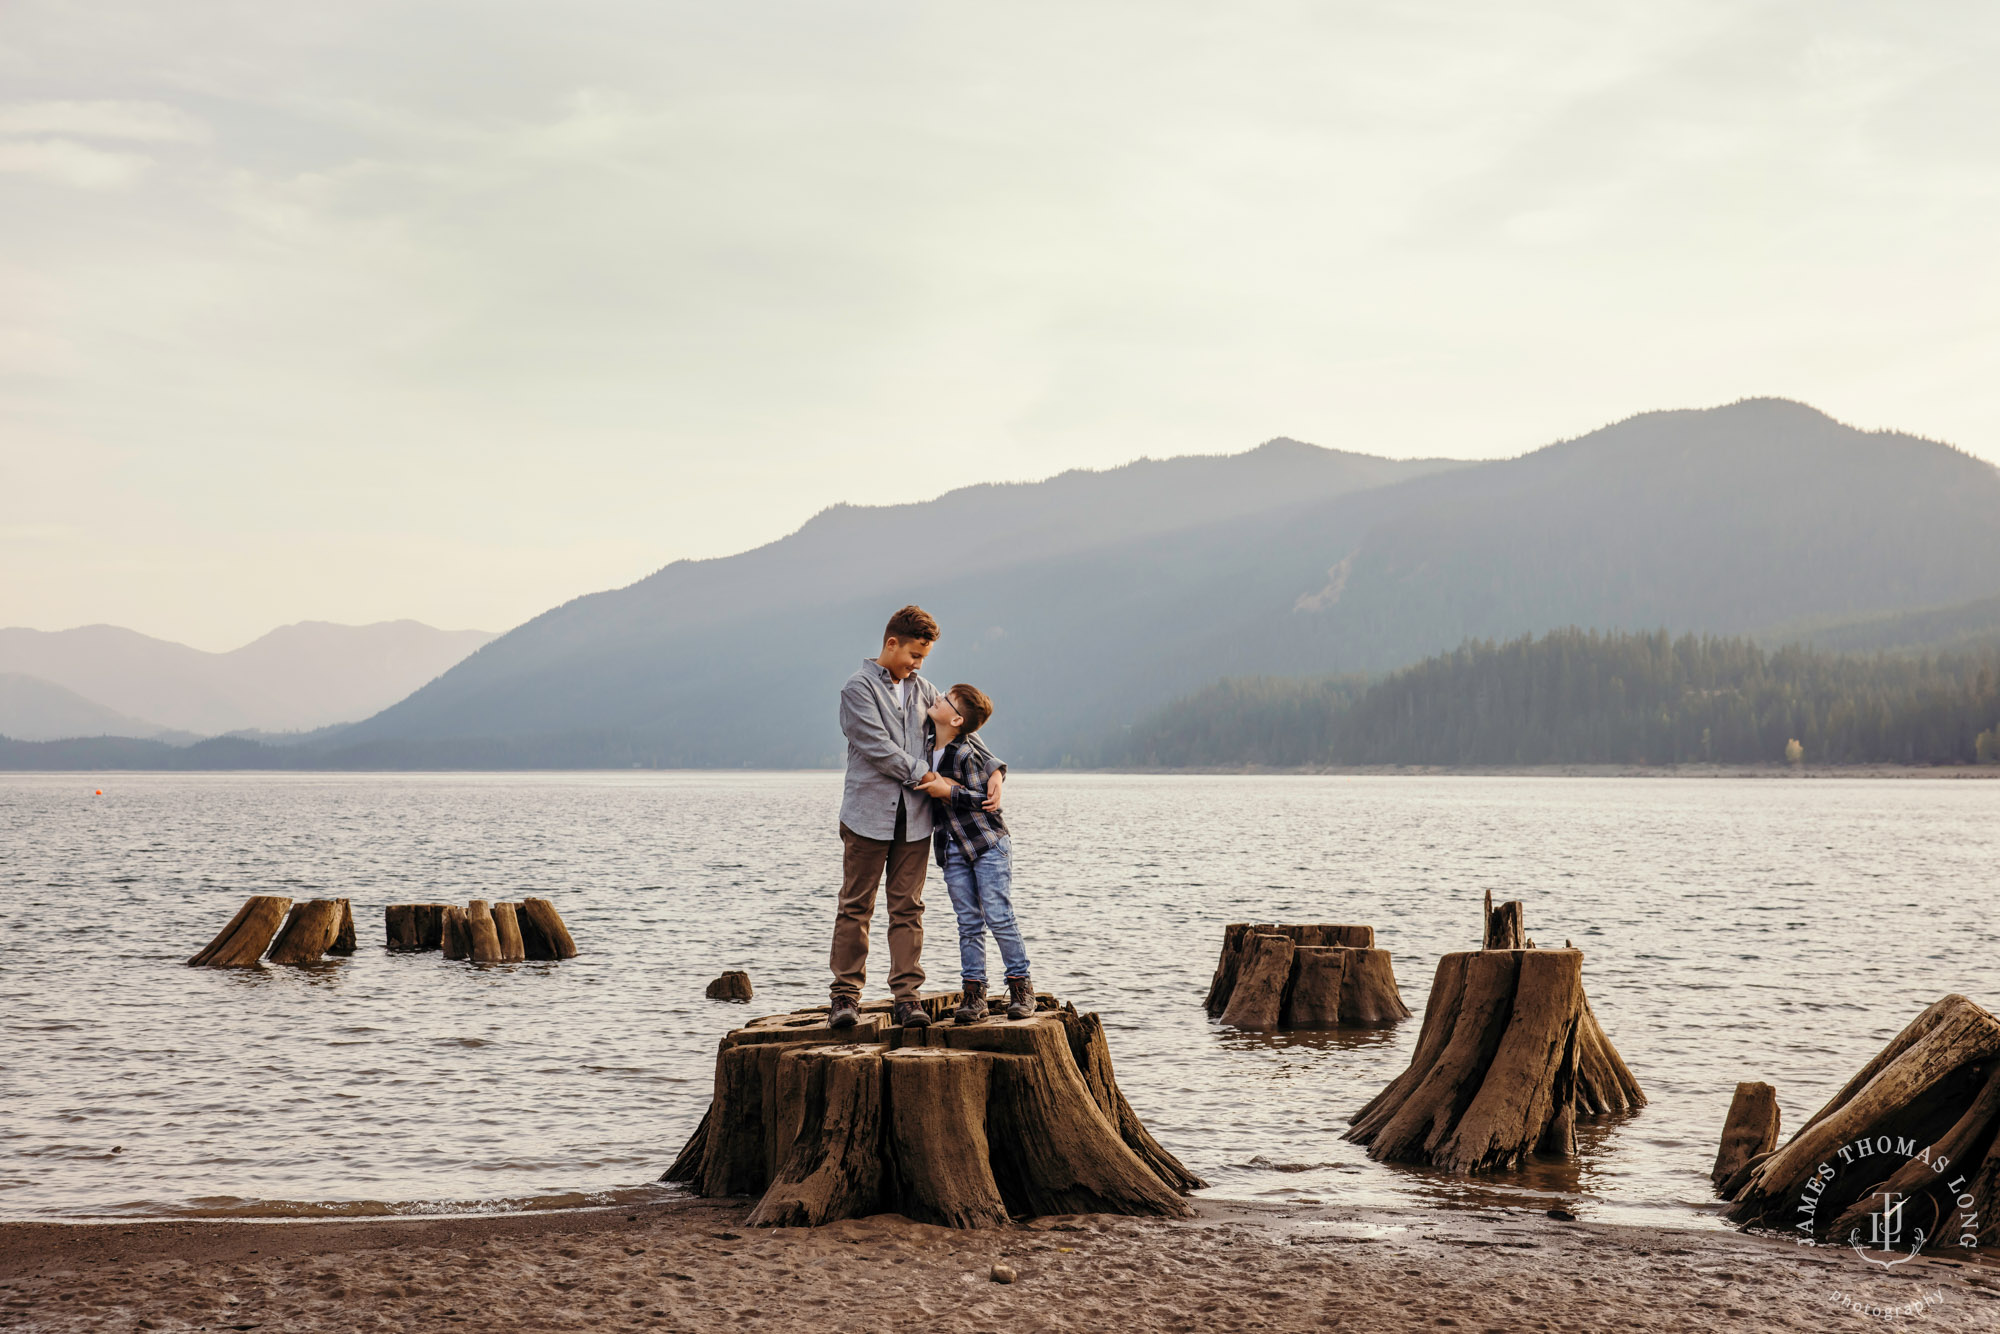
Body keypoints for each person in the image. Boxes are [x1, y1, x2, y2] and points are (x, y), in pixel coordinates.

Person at [829, 605, 951, 1031]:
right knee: (856, 907)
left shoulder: (926, 690)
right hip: (866, 816)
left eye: (923, 658)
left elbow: (958, 726)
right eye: (914, 655)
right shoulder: (857, 689)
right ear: (891, 642)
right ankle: (845, 996)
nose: (917, 664)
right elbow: (877, 748)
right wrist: (925, 773)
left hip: (915, 820)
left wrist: (993, 769)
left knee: (908, 909)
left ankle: (907, 998)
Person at [916, 684, 1031, 1025]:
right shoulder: (925, 746)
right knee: (967, 921)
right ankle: (974, 992)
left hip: (987, 844)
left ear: (955, 719)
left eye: (945, 699)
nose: (936, 698)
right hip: (951, 848)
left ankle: (1021, 985)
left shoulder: (966, 753)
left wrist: (947, 790)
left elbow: (984, 800)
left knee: (998, 914)